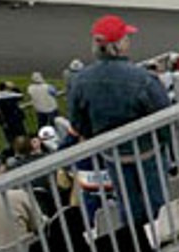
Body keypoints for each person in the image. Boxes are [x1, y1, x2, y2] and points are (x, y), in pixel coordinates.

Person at [69, 14, 173, 230]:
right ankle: (161, 239)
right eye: (126, 37)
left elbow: (79, 125)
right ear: (120, 45)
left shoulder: (81, 80)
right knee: (157, 204)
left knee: (129, 205)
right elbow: (165, 117)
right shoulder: (144, 79)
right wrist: (162, 142)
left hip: (113, 154)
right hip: (148, 152)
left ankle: (137, 244)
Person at [0, 81, 29, 147]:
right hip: (16, 121)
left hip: (5, 123)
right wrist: (14, 87)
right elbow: (21, 96)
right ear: (6, 88)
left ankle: (15, 152)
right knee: (23, 137)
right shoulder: (10, 96)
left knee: (11, 140)